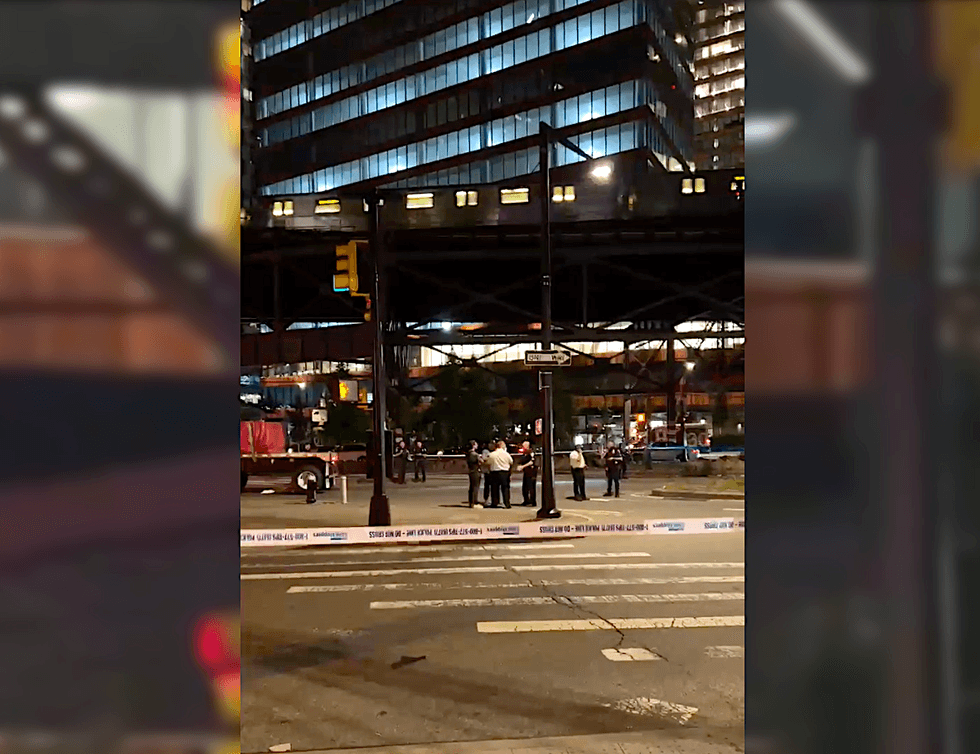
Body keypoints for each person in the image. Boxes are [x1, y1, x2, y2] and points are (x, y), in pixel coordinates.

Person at [486, 440, 513, 508]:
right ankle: (507, 503)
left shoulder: (492, 454)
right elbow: (511, 462)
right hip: (505, 472)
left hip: (494, 472)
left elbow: (487, 462)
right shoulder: (506, 454)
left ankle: (495, 503)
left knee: (494, 489)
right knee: (505, 488)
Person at [517, 440, 537, 507]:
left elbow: (531, 462)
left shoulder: (531, 453)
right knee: (525, 487)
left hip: (531, 472)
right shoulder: (524, 454)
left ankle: (533, 501)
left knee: (531, 487)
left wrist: (522, 466)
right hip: (526, 472)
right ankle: (526, 500)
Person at [466, 440, 483, 508]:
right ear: (473, 445)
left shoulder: (468, 454)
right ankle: (474, 502)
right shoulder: (475, 454)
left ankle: (471, 502)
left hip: (471, 471)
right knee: (475, 487)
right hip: (476, 471)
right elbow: (481, 462)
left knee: (471, 487)